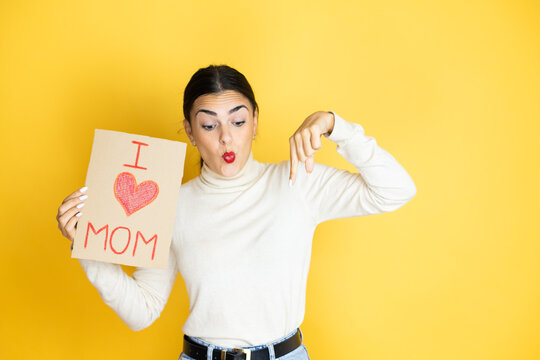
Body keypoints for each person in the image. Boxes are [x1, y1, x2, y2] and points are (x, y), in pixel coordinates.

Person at [56, 64, 417, 360]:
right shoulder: (168, 204)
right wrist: (89, 248)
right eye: (209, 125)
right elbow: (142, 311)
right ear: (190, 132)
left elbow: (396, 190)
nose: (226, 138)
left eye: (238, 121)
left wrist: (334, 125)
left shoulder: (299, 181)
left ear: (256, 122)